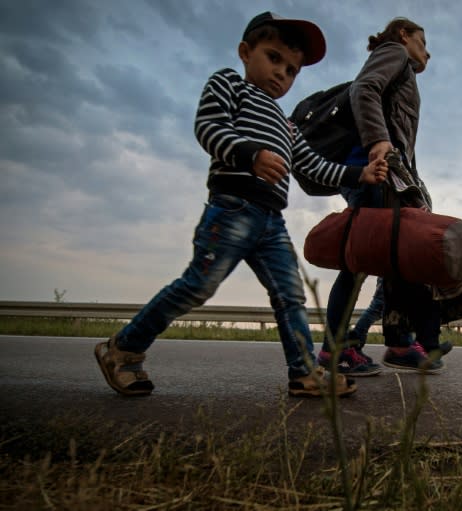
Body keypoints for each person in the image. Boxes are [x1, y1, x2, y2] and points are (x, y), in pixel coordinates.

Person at [94, 11, 389, 398]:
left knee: (291, 296)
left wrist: (359, 175)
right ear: (246, 52)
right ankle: (123, 349)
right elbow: (209, 127)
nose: (282, 73)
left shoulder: (286, 124)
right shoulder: (229, 84)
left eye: (292, 69)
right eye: (273, 57)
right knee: (198, 286)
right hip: (232, 208)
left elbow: (314, 166)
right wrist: (251, 155)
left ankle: (304, 373)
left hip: (271, 222)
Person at [318, 17, 455, 375]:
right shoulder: (393, 52)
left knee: (395, 261)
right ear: (403, 35)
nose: (428, 51)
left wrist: (415, 189)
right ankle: (335, 350)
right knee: (360, 260)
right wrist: (378, 141)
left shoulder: (403, 69)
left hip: (389, 174)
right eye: (423, 42)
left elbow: (403, 143)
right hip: (372, 169)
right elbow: (364, 89)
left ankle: (398, 343)